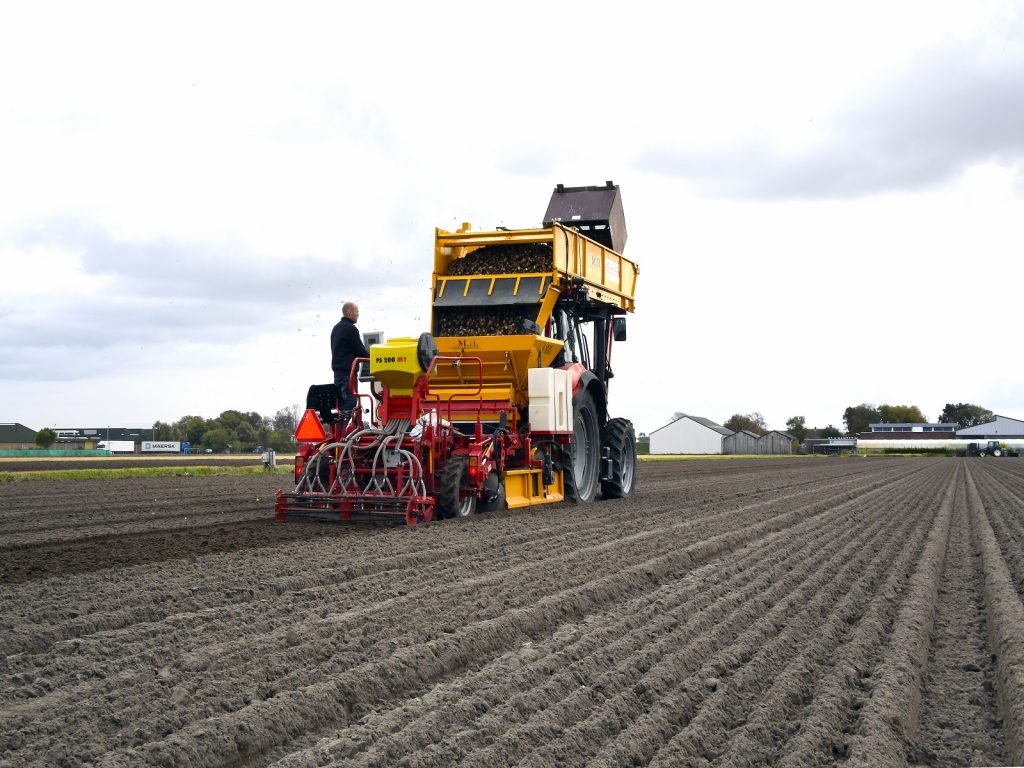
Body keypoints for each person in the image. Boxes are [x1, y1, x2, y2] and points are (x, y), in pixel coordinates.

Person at [331, 301, 370, 418]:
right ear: (349, 313)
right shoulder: (351, 329)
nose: (358, 314)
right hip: (348, 373)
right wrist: (375, 358)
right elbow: (361, 351)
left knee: (341, 405)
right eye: (356, 311)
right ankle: (344, 432)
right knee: (351, 402)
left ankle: (340, 431)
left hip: (338, 374)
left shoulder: (336, 328)